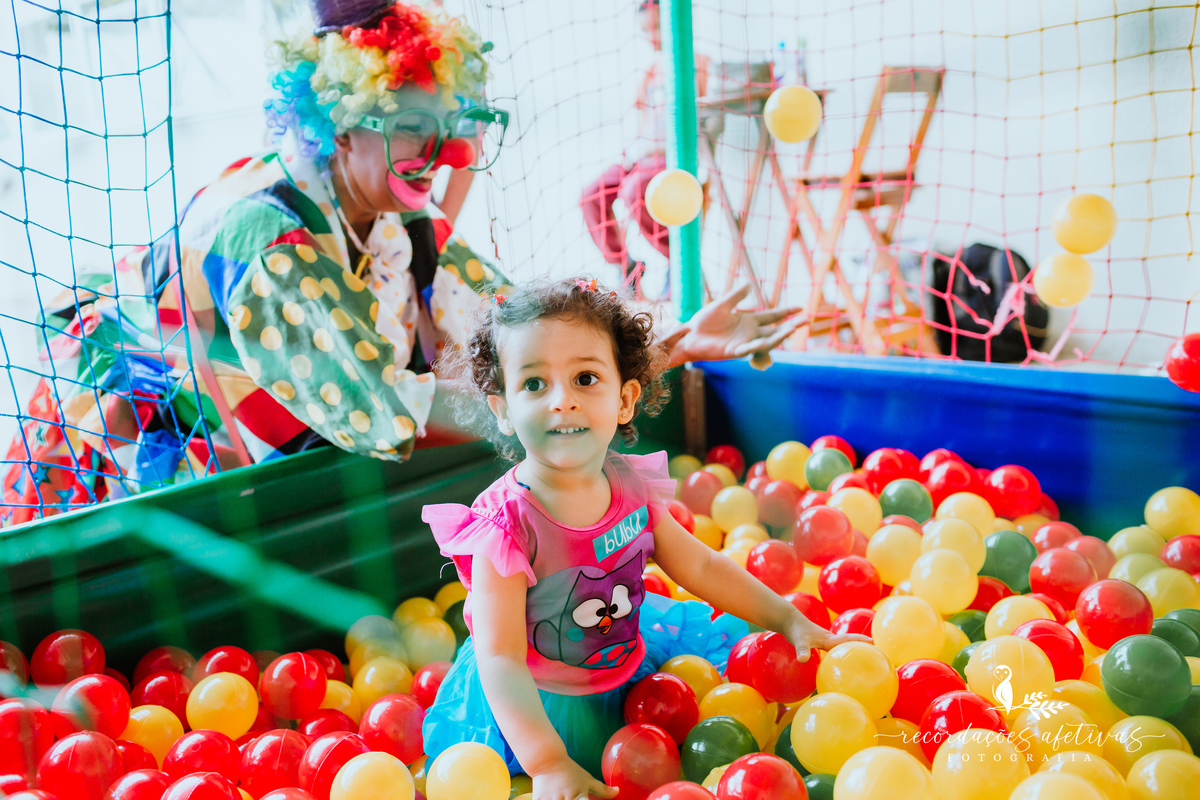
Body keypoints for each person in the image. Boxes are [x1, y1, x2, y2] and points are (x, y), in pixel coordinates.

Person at [1, 0, 798, 527]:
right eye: (415, 127)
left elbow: (530, 331)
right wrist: (577, 398)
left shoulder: (397, 221)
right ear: (340, 123)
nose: (444, 153)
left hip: (233, 472)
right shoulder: (267, 239)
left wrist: (667, 342)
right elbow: (386, 410)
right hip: (110, 460)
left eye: (450, 126)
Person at [421, 278, 866, 798]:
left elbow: (702, 567)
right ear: (503, 409)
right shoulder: (506, 525)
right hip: (539, 701)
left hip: (622, 662)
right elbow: (501, 658)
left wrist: (788, 618)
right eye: (535, 384)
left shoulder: (630, 485)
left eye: (585, 378)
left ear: (625, 399)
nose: (562, 401)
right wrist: (547, 763)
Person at [578, 0, 709, 288]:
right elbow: (643, 118)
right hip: (642, 155)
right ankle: (625, 265)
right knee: (591, 195)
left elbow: (703, 124)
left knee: (635, 192)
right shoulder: (653, 68)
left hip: (671, 158)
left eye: (657, 27)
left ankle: (679, 262)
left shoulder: (698, 64)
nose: (652, 37)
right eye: (646, 30)